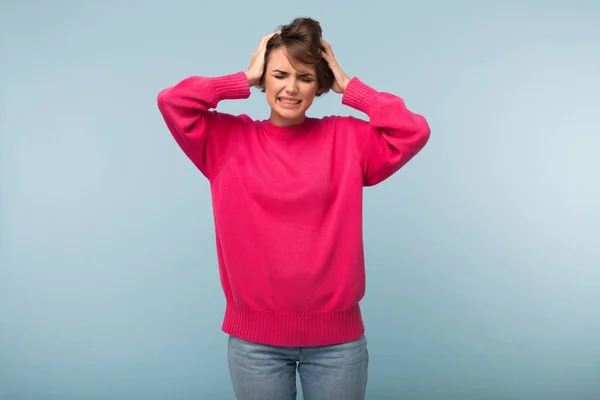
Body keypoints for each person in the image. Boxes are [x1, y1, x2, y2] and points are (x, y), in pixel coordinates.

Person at [157, 17, 430, 400]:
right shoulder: (226, 140)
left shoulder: (346, 138)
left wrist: (352, 88)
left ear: (320, 85)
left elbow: (413, 131)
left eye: (304, 77)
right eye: (279, 74)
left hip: (338, 345)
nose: (290, 87)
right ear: (263, 79)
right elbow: (172, 102)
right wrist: (242, 78)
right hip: (255, 346)